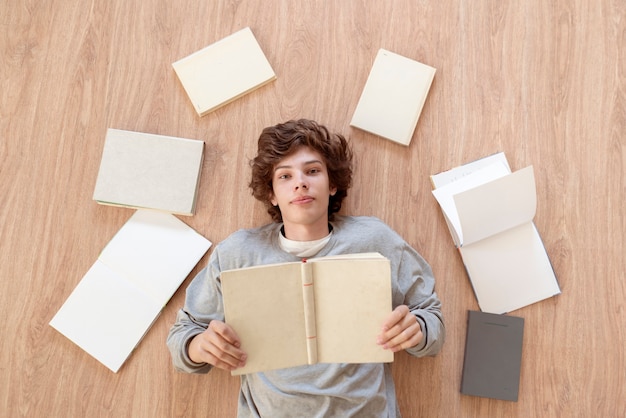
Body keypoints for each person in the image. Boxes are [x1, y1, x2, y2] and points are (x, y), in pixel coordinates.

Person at [167, 119, 445, 417]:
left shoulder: (375, 240)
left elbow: (433, 322)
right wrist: (200, 346)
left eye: (312, 171)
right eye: (285, 176)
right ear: (271, 193)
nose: (300, 182)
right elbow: (182, 337)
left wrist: (418, 329)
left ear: (332, 183)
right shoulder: (237, 253)